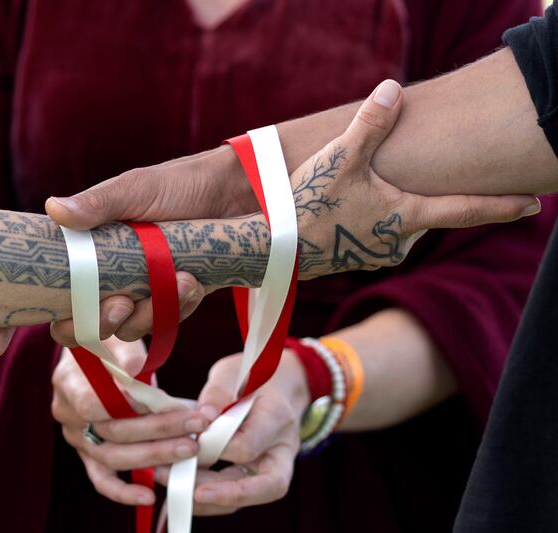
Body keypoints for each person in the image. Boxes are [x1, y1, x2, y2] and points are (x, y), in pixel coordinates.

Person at [0, 2, 554, 533]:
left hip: (352, 484)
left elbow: (504, 266)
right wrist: (63, 350)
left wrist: (316, 375)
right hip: (43, 475)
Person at [52, 3, 558, 531]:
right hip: (55, 472)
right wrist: (72, 357)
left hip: (364, 479)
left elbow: (500, 273)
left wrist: (315, 376)